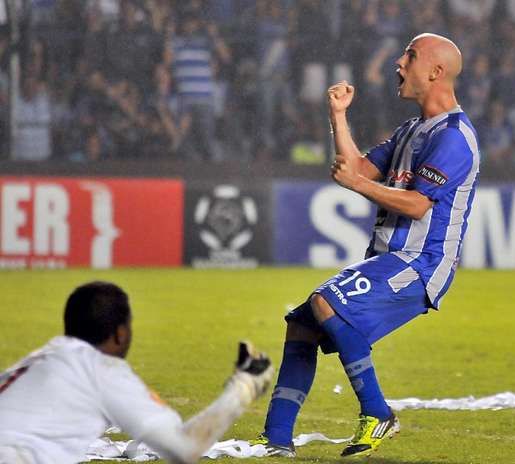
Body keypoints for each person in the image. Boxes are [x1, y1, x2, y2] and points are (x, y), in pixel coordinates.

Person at [253, 33, 480, 458]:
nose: (398, 62)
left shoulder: (454, 136)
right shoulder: (412, 129)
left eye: (409, 56)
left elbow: (415, 205)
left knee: (326, 302)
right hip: (388, 258)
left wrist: (356, 183)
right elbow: (357, 167)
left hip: (420, 262)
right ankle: (277, 440)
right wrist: (338, 116)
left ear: (435, 72)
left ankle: (377, 413)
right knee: (302, 322)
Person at [0, 281, 273, 464]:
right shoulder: (102, 369)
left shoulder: (37, 359)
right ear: (120, 333)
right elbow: (184, 448)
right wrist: (243, 387)